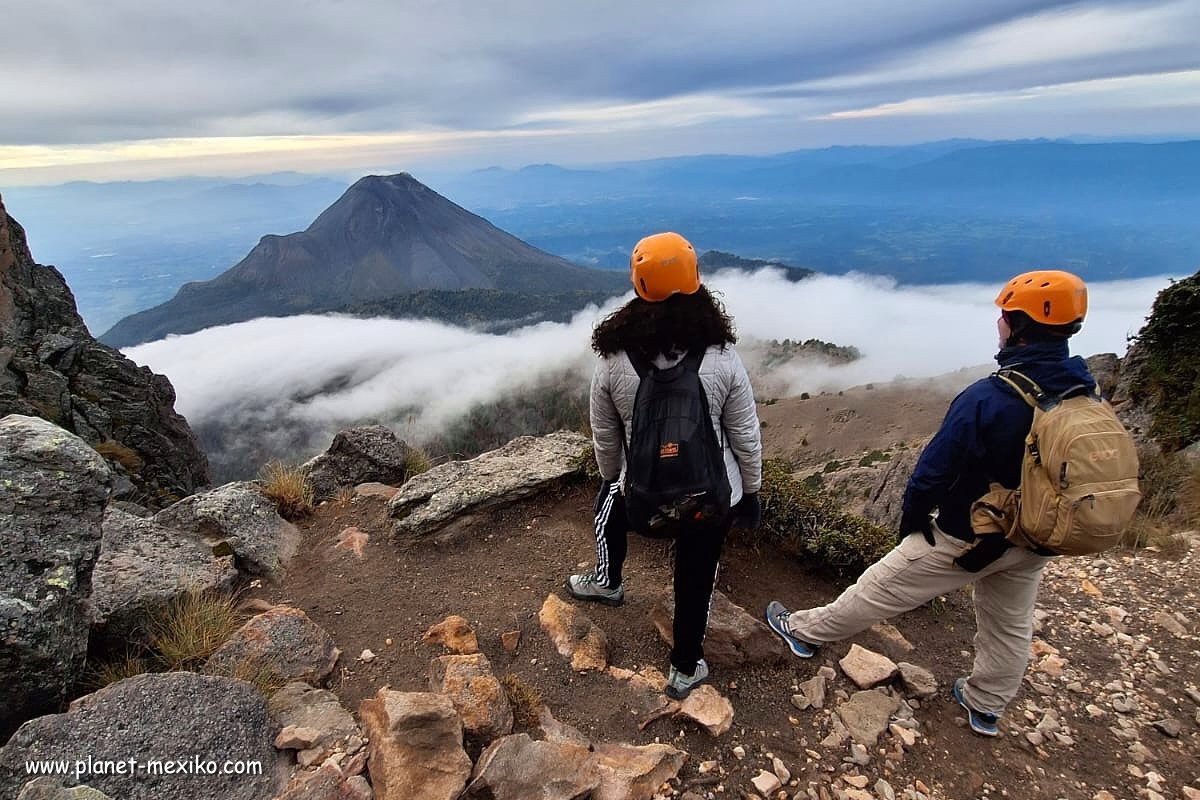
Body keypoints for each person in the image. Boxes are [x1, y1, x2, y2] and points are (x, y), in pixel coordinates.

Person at [765, 269, 1094, 737]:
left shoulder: (989, 397)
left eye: (1005, 315)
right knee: (1010, 626)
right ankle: (985, 706)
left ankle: (801, 632)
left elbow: (932, 472)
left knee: (877, 587)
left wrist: (915, 520)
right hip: (1036, 537)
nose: (999, 322)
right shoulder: (1084, 391)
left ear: (1020, 325)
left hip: (969, 533)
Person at [566, 231, 763, 700]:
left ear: (639, 284)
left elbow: (606, 436)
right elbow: (745, 435)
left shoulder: (614, 359)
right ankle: (685, 667)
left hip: (643, 501)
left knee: (609, 500)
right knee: (696, 574)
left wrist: (609, 479)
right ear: (695, 282)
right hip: (710, 500)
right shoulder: (720, 355)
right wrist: (750, 492)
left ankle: (608, 582)